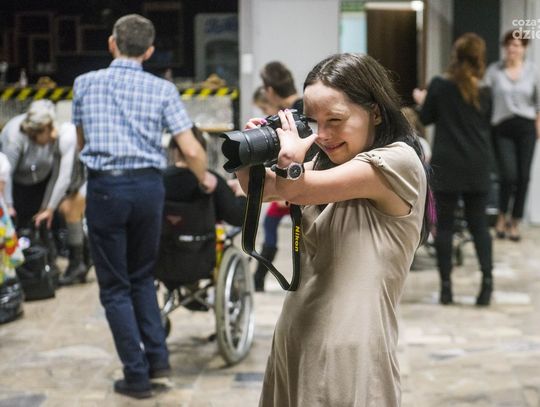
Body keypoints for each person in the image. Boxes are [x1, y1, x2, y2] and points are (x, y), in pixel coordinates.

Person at [236, 53, 432, 406]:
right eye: (314, 122)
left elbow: (296, 189)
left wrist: (289, 161)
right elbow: (260, 189)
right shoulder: (323, 163)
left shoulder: (398, 161)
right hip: (295, 334)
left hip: (347, 352)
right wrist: (249, 151)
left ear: (374, 112)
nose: (323, 135)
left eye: (336, 120)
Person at [72, 14, 215, 399]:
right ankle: (158, 362)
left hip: (106, 188)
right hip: (149, 189)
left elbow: (82, 143)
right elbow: (190, 149)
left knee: (114, 287)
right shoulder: (163, 90)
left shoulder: (84, 84)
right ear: (149, 51)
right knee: (141, 277)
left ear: (112, 43)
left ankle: (136, 376)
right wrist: (204, 178)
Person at [413, 33, 494, 306]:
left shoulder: (440, 84)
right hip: (478, 162)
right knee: (479, 225)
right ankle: (487, 284)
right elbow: (488, 123)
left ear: (455, 55)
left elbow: (425, 118)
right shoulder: (485, 89)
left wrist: (422, 99)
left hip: (447, 164)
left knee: (445, 226)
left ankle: (446, 288)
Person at [0, 100, 88, 284]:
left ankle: (74, 263)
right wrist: (9, 204)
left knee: (67, 214)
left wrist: (48, 207)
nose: (43, 143)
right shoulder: (14, 138)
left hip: (79, 181)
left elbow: (60, 177)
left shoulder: (62, 137)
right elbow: (5, 175)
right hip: (21, 187)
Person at [485, 29, 540, 241]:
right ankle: (501, 216)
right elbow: (483, 95)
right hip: (502, 127)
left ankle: (515, 221)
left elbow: (538, 102)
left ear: (524, 48)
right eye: (508, 45)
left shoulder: (533, 71)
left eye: (516, 45)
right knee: (508, 176)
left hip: (526, 128)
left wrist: (538, 125)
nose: (512, 49)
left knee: (524, 177)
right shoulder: (494, 71)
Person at [251, 86, 290, 291]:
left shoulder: (288, 124)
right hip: (280, 190)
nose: (264, 112)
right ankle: (258, 281)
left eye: (264, 107)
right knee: (270, 235)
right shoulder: (269, 126)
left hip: (297, 189)